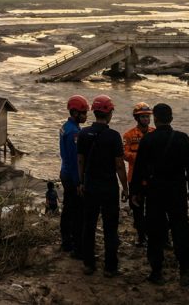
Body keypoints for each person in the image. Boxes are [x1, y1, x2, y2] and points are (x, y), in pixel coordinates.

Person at [131, 103, 189, 287]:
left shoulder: (148, 140)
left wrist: (135, 192)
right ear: (171, 119)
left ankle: (157, 272)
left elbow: (139, 170)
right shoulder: (183, 138)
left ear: (155, 119)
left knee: (155, 232)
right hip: (177, 191)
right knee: (180, 230)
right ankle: (185, 271)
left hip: (155, 192)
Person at [77, 94, 128, 277]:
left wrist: (81, 182)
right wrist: (125, 187)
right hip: (109, 188)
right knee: (110, 227)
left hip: (90, 185)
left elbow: (80, 161)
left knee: (88, 225)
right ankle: (110, 267)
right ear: (109, 113)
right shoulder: (114, 137)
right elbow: (119, 165)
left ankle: (88, 264)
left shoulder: (83, 134)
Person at [59, 95, 88, 257]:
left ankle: (66, 241)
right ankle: (74, 244)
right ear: (75, 113)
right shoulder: (74, 133)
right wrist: (79, 182)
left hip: (64, 172)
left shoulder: (65, 127)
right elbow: (75, 159)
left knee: (68, 208)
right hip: (71, 176)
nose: (85, 116)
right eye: (83, 113)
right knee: (77, 212)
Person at [123, 102, 155, 246]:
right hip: (134, 177)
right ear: (137, 118)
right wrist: (139, 157)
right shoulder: (128, 135)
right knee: (136, 208)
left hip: (151, 177)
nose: (146, 119)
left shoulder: (155, 133)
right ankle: (141, 236)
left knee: (153, 208)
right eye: (143, 117)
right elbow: (123, 153)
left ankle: (152, 234)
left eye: (147, 116)